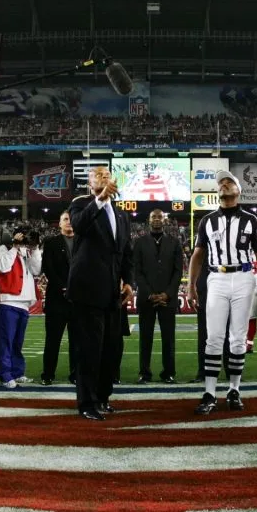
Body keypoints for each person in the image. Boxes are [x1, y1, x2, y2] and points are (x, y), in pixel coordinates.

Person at [187, 170, 257, 415]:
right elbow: (198, 255)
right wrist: (191, 286)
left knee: (237, 338)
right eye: (221, 183)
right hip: (217, 278)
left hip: (244, 277)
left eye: (229, 182)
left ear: (238, 190)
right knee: (213, 337)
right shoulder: (207, 221)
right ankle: (210, 392)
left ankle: (234, 389)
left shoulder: (250, 220)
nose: (224, 185)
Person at [67, 165, 134, 421]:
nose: (104, 178)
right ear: (89, 182)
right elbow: (79, 226)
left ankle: (103, 397)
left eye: (107, 175)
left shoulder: (120, 214)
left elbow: (126, 252)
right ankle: (86, 402)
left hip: (112, 293)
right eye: (98, 175)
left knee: (111, 348)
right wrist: (100, 199)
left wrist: (129, 281)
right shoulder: (81, 204)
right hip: (87, 289)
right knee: (89, 349)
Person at [133, 209, 183, 383]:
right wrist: (150, 294)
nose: (156, 219)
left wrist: (167, 294)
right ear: (148, 220)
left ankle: (168, 373)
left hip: (167, 299)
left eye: (159, 217)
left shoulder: (175, 242)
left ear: (165, 220)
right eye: (153, 216)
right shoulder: (139, 243)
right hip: (147, 299)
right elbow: (137, 272)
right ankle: (144, 373)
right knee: (145, 338)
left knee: (168, 339)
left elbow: (178, 272)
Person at [0, 227, 42, 387]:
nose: (25, 239)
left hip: (24, 303)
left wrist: (34, 249)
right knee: (5, 340)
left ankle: (17, 372)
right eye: (23, 235)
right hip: (8, 301)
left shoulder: (26, 251)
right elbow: (2, 266)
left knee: (17, 342)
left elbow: (36, 269)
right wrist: (14, 246)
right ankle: (4, 374)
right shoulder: (3, 248)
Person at [40, 211, 77, 385]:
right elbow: (48, 267)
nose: (69, 222)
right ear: (59, 223)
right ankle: (48, 375)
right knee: (52, 340)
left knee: (77, 342)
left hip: (78, 299)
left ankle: (75, 375)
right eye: (65, 219)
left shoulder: (83, 242)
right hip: (57, 298)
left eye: (71, 219)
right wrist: (63, 286)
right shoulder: (51, 243)